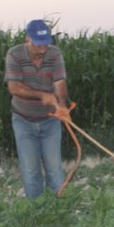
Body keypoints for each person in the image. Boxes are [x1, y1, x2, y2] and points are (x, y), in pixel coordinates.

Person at [4, 19, 69, 198]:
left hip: (50, 120)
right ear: (27, 40)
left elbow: (59, 82)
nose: (43, 49)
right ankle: (36, 214)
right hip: (23, 119)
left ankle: (59, 210)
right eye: (38, 45)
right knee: (30, 171)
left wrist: (62, 106)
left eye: (46, 45)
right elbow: (14, 88)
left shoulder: (54, 54)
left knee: (55, 170)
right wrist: (42, 95)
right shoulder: (14, 55)